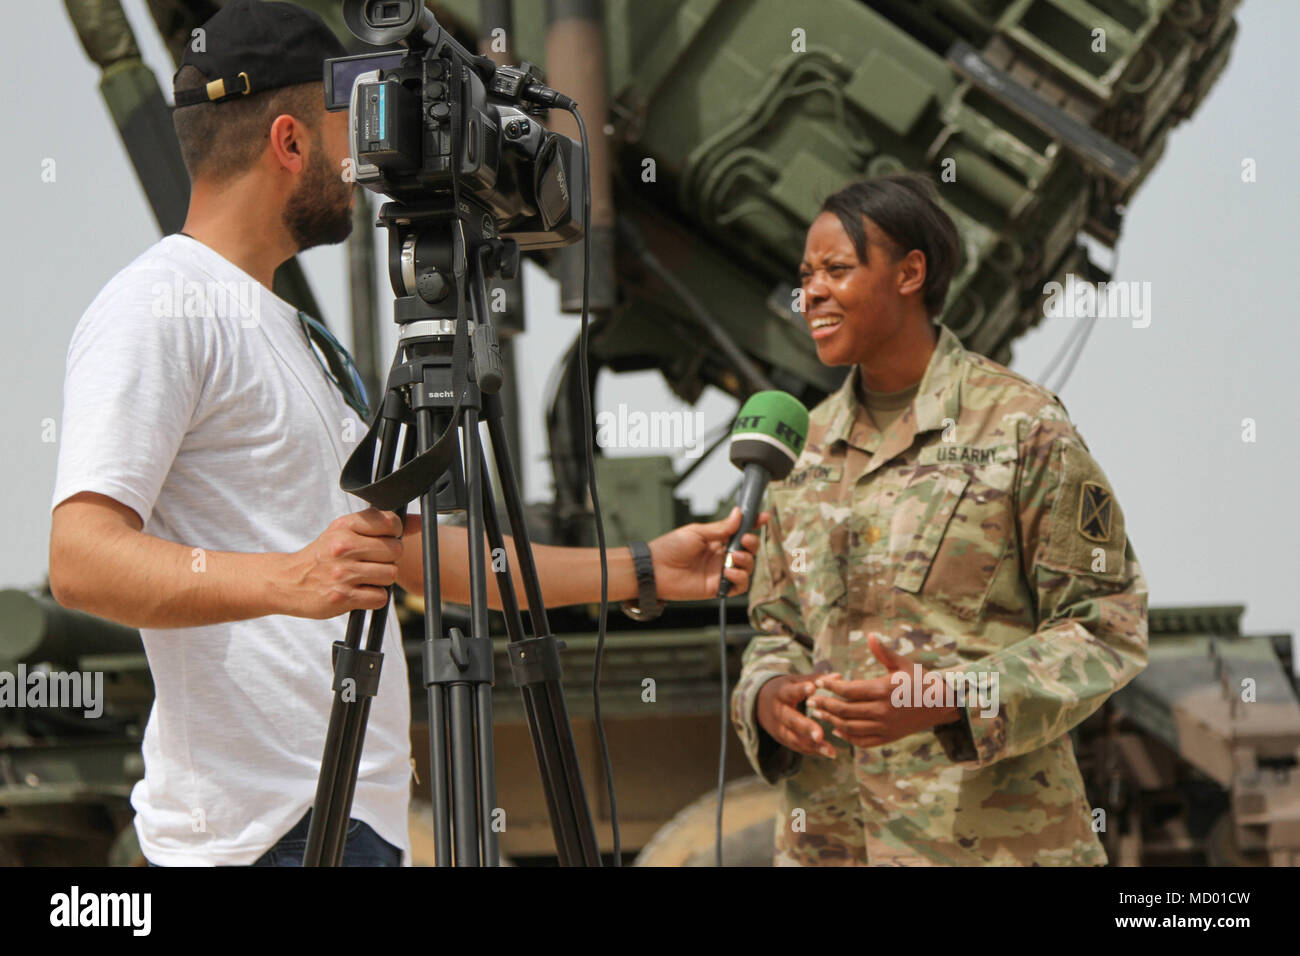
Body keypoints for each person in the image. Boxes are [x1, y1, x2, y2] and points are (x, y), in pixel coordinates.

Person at [48, 0, 760, 867]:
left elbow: (408, 554)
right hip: (254, 840)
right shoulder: (160, 304)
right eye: (349, 127)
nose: (362, 161)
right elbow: (81, 557)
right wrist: (288, 577)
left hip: (351, 817)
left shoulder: (288, 329)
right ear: (289, 142)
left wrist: (642, 569)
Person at [730, 172, 1149, 866]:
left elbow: (1108, 623)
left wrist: (952, 699)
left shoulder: (1020, 425)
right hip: (832, 844)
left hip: (995, 847)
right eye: (806, 275)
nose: (812, 293)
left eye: (836, 269)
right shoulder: (800, 449)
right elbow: (778, 629)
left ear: (910, 273)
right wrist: (771, 695)